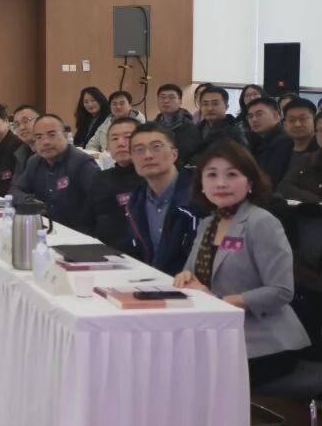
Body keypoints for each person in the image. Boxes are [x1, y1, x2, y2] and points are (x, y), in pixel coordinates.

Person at [174, 141, 308, 384]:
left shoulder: (261, 222)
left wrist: (221, 302)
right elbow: (192, 273)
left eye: (232, 175)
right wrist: (185, 276)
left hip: (264, 343)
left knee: (188, 374)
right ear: (201, 184)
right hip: (218, 332)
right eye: (211, 175)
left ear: (250, 182)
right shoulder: (208, 223)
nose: (221, 183)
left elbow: (281, 291)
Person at [124, 123, 200, 275]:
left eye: (156, 147)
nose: (148, 155)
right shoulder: (135, 201)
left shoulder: (197, 196)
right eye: (139, 149)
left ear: (174, 154)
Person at [8, 114, 101, 234]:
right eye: (39, 137)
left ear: (65, 136)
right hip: (45, 229)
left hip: (76, 234)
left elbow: (99, 207)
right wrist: (30, 202)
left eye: (52, 135)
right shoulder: (34, 161)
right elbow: (15, 190)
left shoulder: (82, 164)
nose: (45, 142)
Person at [84, 116, 142, 252]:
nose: (120, 143)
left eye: (128, 137)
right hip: (101, 252)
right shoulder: (100, 178)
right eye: (114, 139)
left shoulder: (152, 179)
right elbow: (87, 221)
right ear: (107, 146)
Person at [244, 96, 294, 189]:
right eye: (250, 116)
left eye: (259, 114)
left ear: (276, 115)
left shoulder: (284, 142)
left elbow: (271, 179)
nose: (254, 119)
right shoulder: (255, 140)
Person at [153, 83, 202, 166]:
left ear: (180, 102)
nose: (166, 101)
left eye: (171, 97)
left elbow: (191, 154)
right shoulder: (152, 126)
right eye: (162, 97)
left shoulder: (189, 126)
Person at [278, 99, 319, 196]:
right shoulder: (280, 148)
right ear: (284, 124)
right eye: (291, 120)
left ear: (315, 121)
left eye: (303, 119)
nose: (297, 124)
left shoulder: (319, 150)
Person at [197, 85, 246, 150]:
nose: (210, 108)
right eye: (205, 104)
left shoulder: (235, 131)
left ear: (226, 106)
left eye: (215, 104)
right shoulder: (195, 130)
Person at [12, 104, 41, 170]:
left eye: (25, 121)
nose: (21, 127)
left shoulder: (49, 152)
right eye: (17, 124)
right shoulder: (20, 154)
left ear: (40, 120)